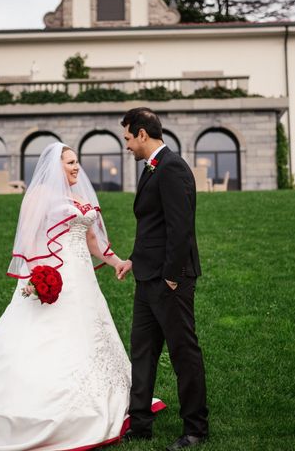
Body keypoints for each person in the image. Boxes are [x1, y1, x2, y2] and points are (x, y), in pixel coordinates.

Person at [0, 143, 161, 451]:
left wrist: (117, 262)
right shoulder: (39, 197)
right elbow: (29, 237)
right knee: (42, 336)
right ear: (54, 167)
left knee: (89, 333)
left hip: (82, 279)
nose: (77, 168)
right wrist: (39, 276)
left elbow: (91, 238)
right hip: (54, 276)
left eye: (77, 162)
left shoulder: (79, 198)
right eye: (70, 163)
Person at [116, 107, 209, 450]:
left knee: (183, 353)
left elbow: (180, 228)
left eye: (127, 137)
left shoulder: (172, 168)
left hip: (171, 280)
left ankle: (196, 429)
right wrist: (133, 260)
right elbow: (152, 227)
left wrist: (171, 276)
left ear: (142, 134)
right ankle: (140, 424)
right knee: (142, 353)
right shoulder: (150, 169)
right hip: (146, 277)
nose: (125, 144)